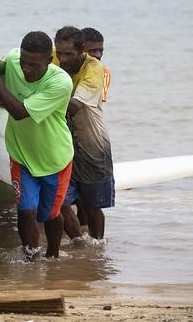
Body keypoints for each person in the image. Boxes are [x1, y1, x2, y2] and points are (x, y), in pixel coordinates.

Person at [0, 32, 73, 260]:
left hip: (55, 159)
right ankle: (31, 258)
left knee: (50, 215)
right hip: (21, 156)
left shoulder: (60, 82)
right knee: (25, 210)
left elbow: (20, 113)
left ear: (49, 61)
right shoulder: (13, 60)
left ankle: (53, 257)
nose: (26, 70)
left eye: (34, 65)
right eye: (23, 63)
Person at [54, 26, 115, 240]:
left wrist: (33, 105)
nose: (62, 58)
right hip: (62, 144)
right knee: (59, 202)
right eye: (59, 53)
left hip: (92, 144)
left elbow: (74, 106)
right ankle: (80, 244)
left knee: (92, 206)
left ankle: (96, 249)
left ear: (80, 52)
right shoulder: (57, 55)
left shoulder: (95, 69)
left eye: (101, 50)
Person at [82, 27, 111, 102]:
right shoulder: (62, 64)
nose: (98, 55)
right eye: (92, 51)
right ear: (79, 50)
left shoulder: (104, 74)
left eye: (100, 50)